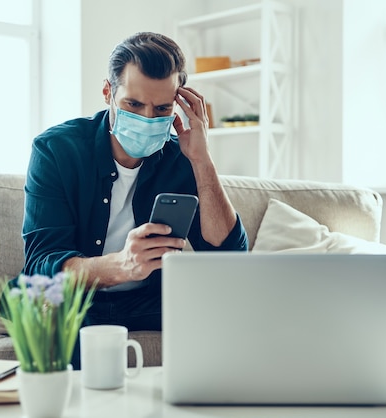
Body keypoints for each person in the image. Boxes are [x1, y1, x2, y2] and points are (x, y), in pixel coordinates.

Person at [22, 32, 248, 368]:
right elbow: (42, 265)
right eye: (133, 104)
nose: (147, 118)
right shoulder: (56, 150)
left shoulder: (182, 157)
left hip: (151, 299)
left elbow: (228, 257)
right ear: (107, 93)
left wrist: (202, 161)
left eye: (161, 108)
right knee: (51, 319)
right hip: (75, 300)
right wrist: (122, 266)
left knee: (234, 318)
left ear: (178, 107)